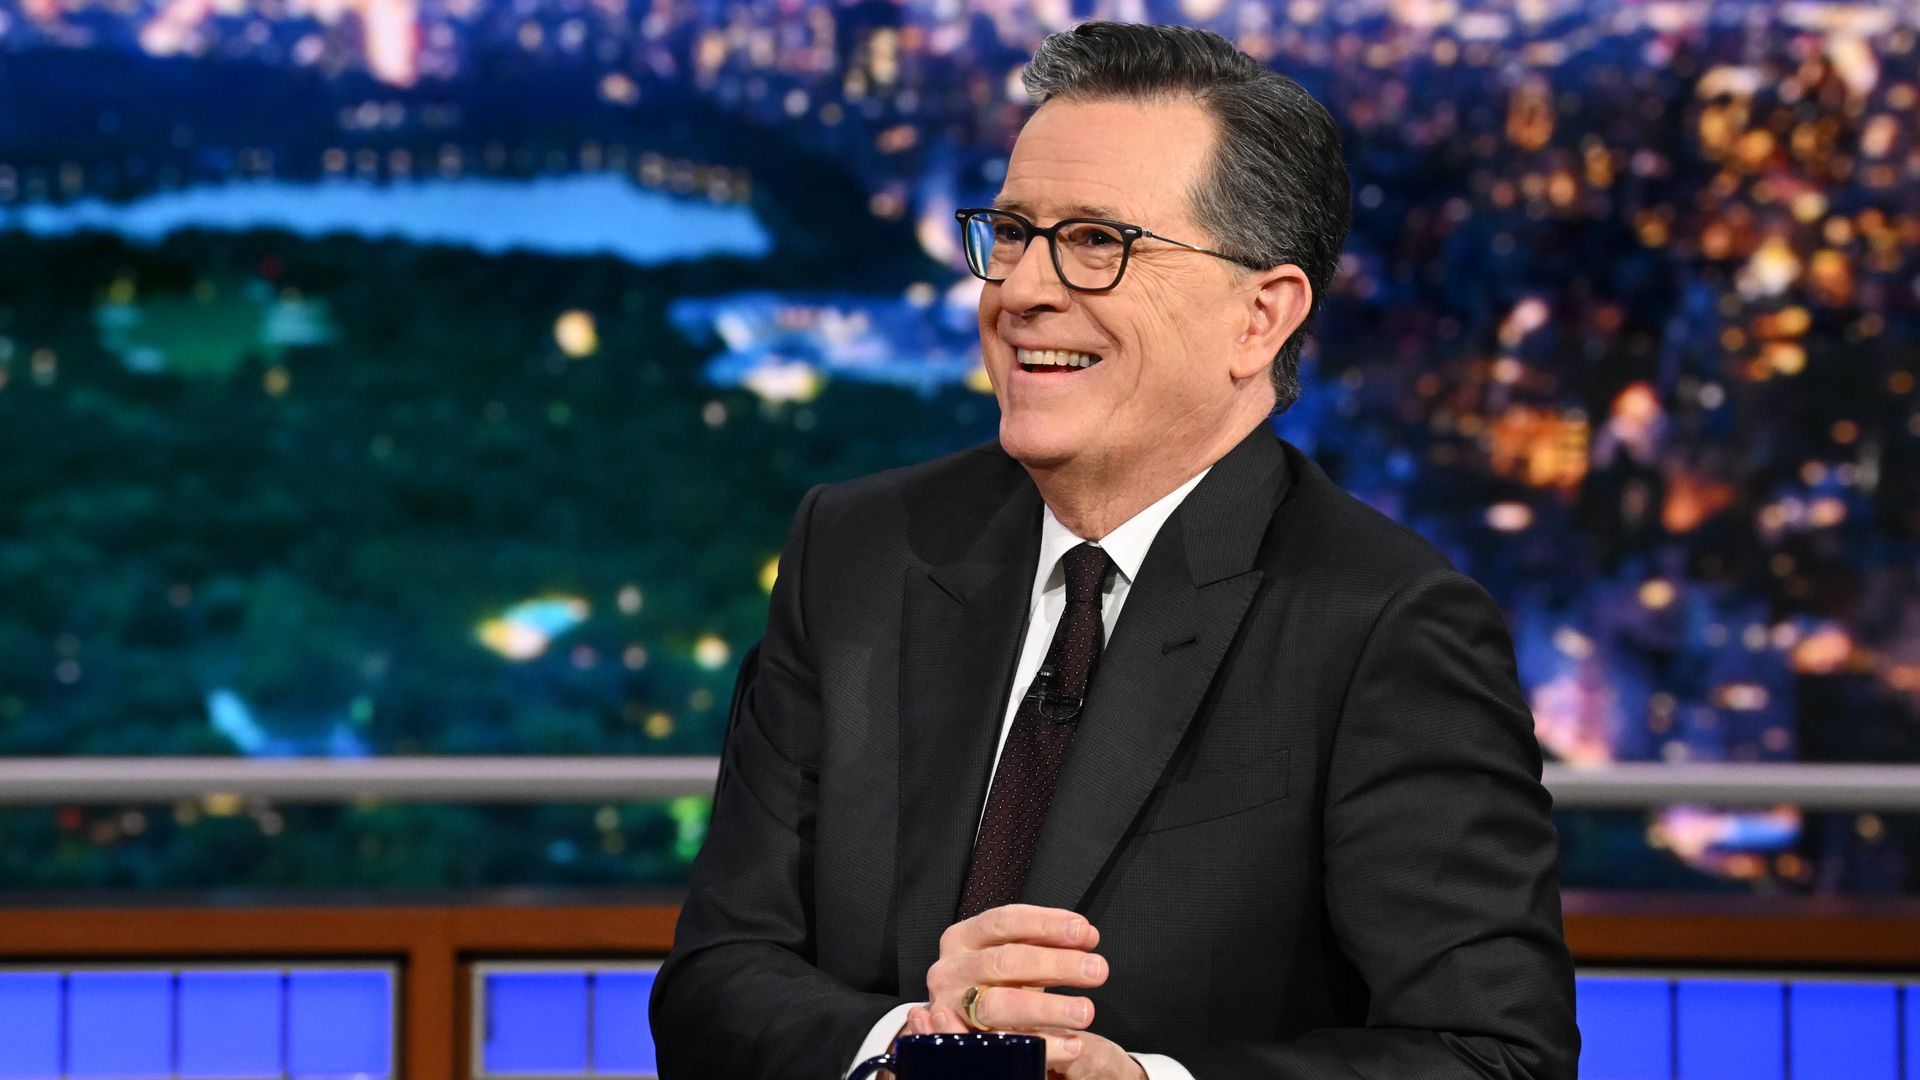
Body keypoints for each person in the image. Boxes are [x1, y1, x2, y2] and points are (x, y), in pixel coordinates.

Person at [651, 21, 1577, 1080]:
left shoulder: (1384, 624)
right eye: (1012, 232)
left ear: (1260, 317)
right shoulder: (858, 551)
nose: (1022, 291)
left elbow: (1493, 1056)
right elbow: (715, 984)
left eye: (1098, 242)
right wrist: (909, 1047)